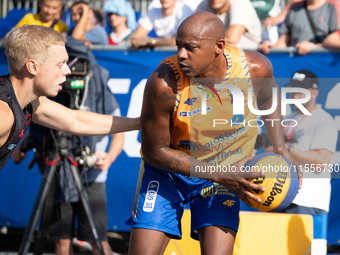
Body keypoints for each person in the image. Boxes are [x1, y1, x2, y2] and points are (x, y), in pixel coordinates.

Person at [126, 12, 300, 255]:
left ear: (219, 46)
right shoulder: (164, 82)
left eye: (191, 48)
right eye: (178, 46)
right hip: (169, 172)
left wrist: (279, 145)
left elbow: (269, 98)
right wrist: (221, 174)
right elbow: (156, 152)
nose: (181, 54)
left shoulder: (255, 68)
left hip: (224, 170)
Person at [11, 34, 124, 254]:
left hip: (90, 173)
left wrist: (109, 157)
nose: (68, 72)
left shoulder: (96, 80)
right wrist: (22, 146)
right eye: (61, 65)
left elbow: (78, 121)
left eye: (68, 64)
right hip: (56, 167)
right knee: (61, 239)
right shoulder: (38, 94)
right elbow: (41, 120)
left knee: (97, 239)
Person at [0, 24, 138, 171]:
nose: (68, 70)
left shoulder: (29, 102)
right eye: (60, 64)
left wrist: (141, 122)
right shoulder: (4, 113)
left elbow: (74, 120)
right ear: (33, 67)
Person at [279, 70, 337, 255]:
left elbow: (321, 162)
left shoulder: (323, 120)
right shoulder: (286, 119)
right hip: (281, 195)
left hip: (309, 199)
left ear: (314, 93)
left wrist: (286, 150)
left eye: (300, 91)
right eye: (293, 90)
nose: (295, 95)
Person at [259, 0, 340, 55]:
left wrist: (315, 47)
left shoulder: (331, 8)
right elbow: (283, 41)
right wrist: (271, 47)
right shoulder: (294, 8)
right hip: (296, 64)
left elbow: (334, 40)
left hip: (321, 64)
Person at [195, 0, 262, 49]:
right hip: (228, 58)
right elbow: (193, 34)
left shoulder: (241, 3)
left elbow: (231, 40)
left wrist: (200, 43)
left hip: (260, 56)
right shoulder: (204, 5)